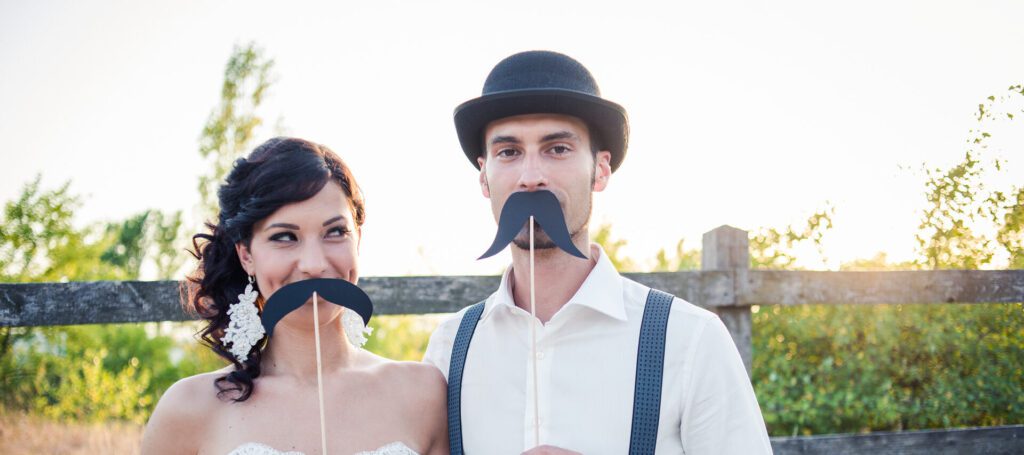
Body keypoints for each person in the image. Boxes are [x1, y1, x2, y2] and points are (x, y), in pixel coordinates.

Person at [423, 51, 772, 454]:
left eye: (557, 149)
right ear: (484, 178)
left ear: (600, 170)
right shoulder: (449, 348)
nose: (531, 178)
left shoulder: (690, 338)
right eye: (509, 152)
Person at [142, 137, 448, 455]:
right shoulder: (188, 410)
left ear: (357, 239)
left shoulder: (423, 393)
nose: (314, 265)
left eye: (335, 232)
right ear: (246, 255)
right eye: (285, 237)